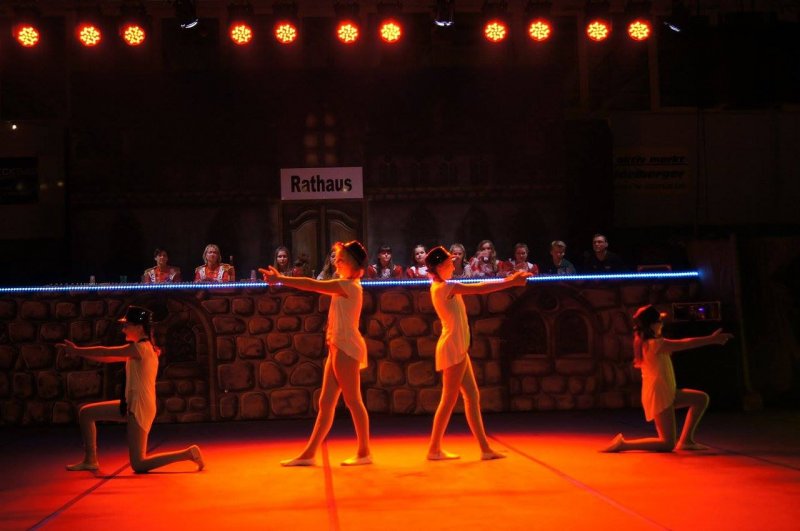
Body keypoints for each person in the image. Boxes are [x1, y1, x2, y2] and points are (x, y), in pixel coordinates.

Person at [260, 241, 372, 467]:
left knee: (353, 401)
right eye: (337, 259)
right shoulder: (345, 284)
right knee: (326, 402)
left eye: (342, 260)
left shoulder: (349, 286)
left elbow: (311, 284)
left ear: (355, 266)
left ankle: (364, 452)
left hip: (346, 347)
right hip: (338, 346)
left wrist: (281, 279)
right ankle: (309, 453)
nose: (337, 263)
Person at [60, 306, 204, 473]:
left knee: (139, 464)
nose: (123, 329)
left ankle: (187, 454)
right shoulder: (140, 348)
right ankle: (90, 460)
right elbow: (106, 357)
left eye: (127, 325)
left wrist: (76, 350)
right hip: (131, 404)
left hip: (140, 407)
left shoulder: (140, 349)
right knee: (86, 413)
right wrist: (78, 353)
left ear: (139, 327)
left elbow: (105, 351)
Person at [424, 246, 531, 461]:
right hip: (452, 347)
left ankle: (484, 449)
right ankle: (435, 449)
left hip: (457, 347)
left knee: (471, 397)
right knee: (449, 400)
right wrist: (510, 281)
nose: (453, 265)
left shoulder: (444, 286)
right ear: (439, 268)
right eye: (448, 263)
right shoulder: (444, 288)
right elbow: (480, 288)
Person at [602, 305, 733, 453]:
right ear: (652, 325)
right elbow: (686, 343)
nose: (662, 324)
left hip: (666, 391)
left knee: (701, 399)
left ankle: (686, 441)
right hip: (659, 394)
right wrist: (711, 339)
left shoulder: (649, 343)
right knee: (667, 443)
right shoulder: (654, 344)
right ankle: (624, 444)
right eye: (659, 321)